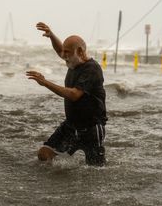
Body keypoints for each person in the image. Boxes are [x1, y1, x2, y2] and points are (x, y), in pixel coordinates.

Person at [26, 22, 107, 166]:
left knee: (95, 170)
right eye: (64, 52)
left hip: (92, 128)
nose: (64, 56)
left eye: (67, 53)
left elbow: (74, 94)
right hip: (71, 126)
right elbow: (60, 50)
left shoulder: (92, 69)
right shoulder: (73, 62)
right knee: (44, 155)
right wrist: (51, 36)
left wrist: (45, 83)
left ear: (80, 52)